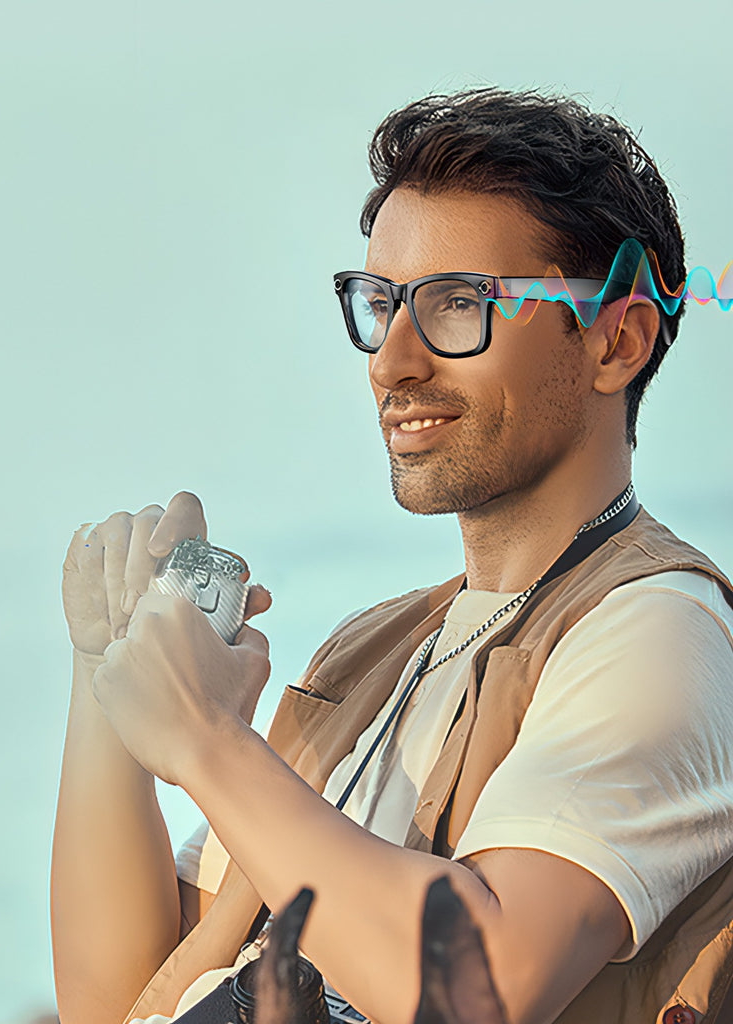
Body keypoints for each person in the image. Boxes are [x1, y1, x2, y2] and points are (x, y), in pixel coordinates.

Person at [50, 88, 733, 1024]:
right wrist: (109, 679)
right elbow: (114, 999)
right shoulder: (370, 654)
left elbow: (479, 989)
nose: (392, 359)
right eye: (382, 304)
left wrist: (209, 742)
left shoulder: (659, 629)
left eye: (459, 305)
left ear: (617, 340)